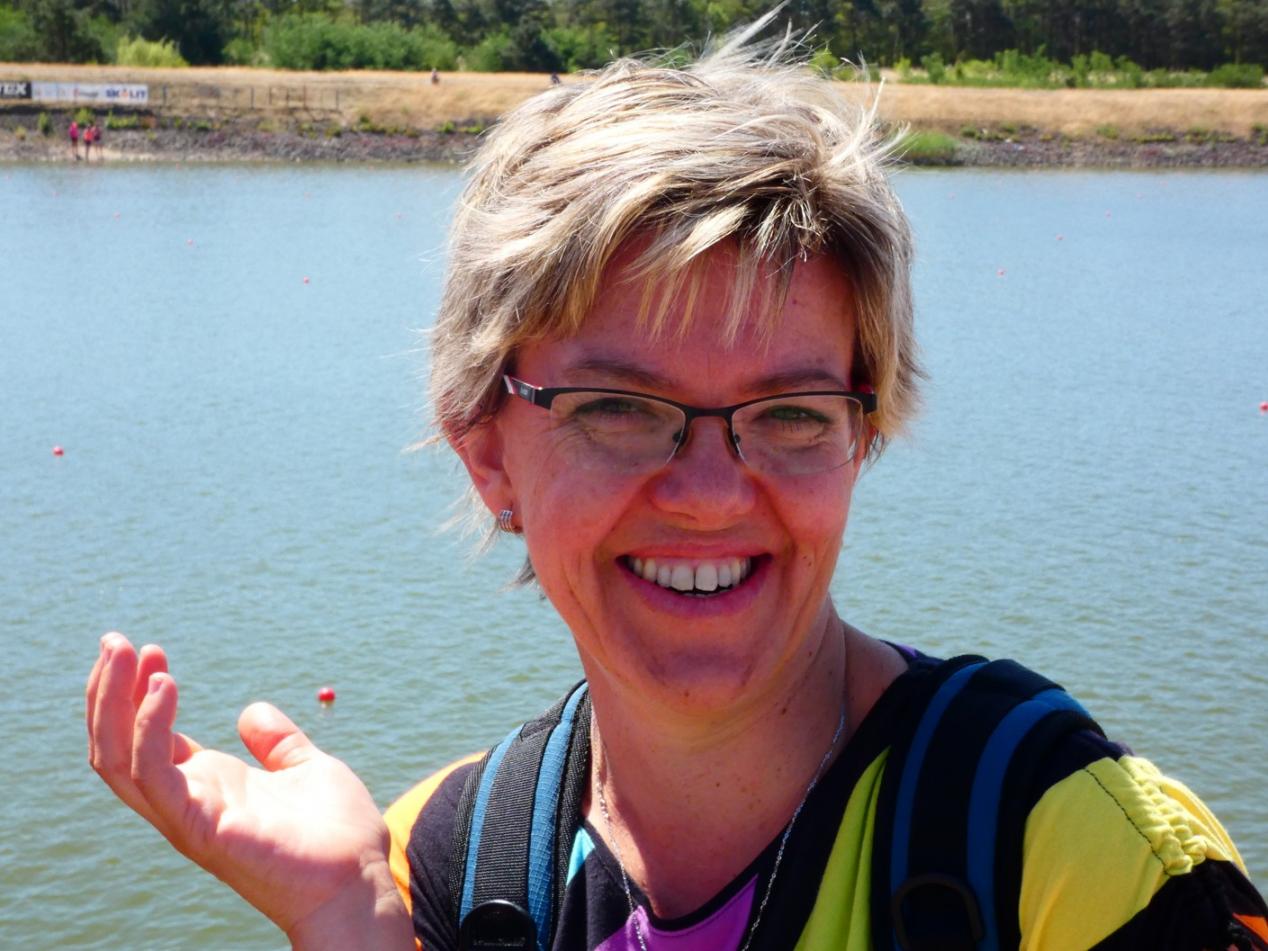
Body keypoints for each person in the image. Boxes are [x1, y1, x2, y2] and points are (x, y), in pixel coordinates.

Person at [85, 19, 1266, 951]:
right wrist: (350, 927)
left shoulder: (1066, 854)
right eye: (616, 408)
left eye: (790, 414)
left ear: (861, 438)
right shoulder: (439, 867)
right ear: (485, 453)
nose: (708, 491)